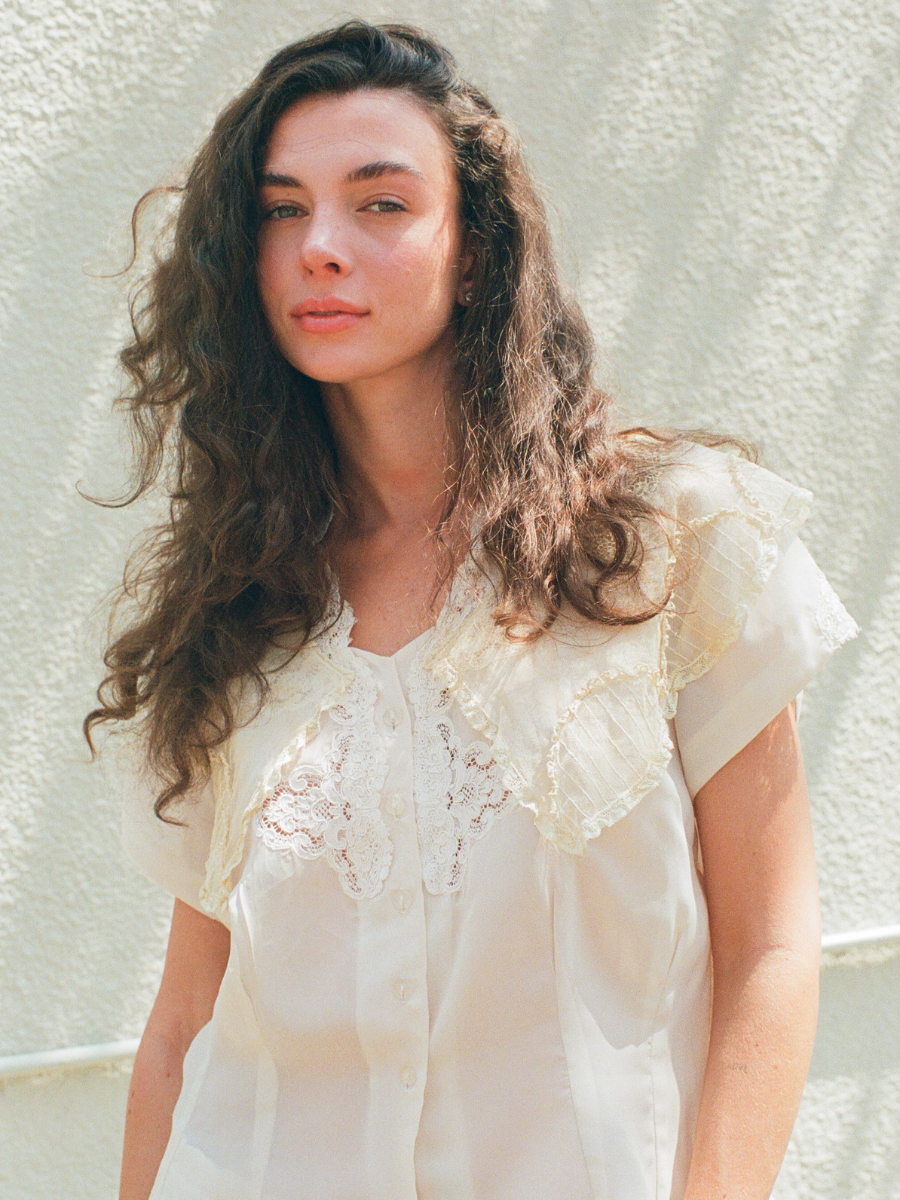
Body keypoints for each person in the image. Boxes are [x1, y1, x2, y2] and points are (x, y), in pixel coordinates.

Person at [87, 20, 858, 1200]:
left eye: (381, 204)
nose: (320, 248)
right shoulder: (231, 611)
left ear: (478, 251)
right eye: (283, 211)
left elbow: (771, 947)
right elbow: (186, 1020)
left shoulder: (669, 541)